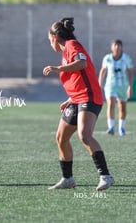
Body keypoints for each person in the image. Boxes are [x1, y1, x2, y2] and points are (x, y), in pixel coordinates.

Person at [43, 17, 114, 191]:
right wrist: (69, 99)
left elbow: (82, 64)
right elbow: (79, 79)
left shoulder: (72, 45)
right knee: (61, 138)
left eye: (48, 40)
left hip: (89, 97)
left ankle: (105, 176)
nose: (49, 43)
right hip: (76, 100)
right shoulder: (65, 53)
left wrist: (58, 69)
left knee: (84, 135)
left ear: (54, 37)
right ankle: (68, 179)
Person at [98, 39, 133, 136]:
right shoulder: (107, 58)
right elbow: (103, 71)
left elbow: (130, 72)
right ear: (112, 47)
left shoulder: (126, 58)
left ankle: (121, 127)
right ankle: (111, 127)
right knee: (111, 104)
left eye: (119, 46)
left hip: (123, 85)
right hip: (110, 85)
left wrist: (130, 86)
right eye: (115, 45)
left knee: (122, 106)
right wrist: (99, 84)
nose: (117, 47)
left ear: (122, 47)